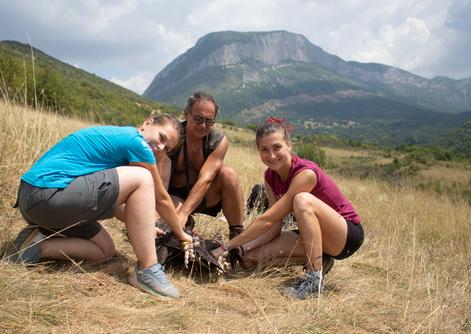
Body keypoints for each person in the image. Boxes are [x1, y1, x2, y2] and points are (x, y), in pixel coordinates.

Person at [4, 113, 191, 299]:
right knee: (143, 177)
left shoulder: (118, 142)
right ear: (147, 123)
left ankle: (35, 246)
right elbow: (162, 199)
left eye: (167, 149)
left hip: (37, 201)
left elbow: (103, 199)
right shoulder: (135, 142)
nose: (160, 148)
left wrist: (146, 226)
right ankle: (147, 270)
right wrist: (182, 235)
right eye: (161, 138)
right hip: (47, 196)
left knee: (104, 250)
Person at [212, 117, 364, 299]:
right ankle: (322, 260)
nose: (272, 155)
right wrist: (241, 249)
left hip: (345, 236)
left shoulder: (306, 173)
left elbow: (268, 218)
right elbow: (274, 225)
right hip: (310, 235)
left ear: (289, 145)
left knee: (302, 200)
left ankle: (313, 279)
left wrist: (226, 247)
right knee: (247, 259)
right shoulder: (270, 176)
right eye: (264, 150)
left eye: (277, 147)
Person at [158, 91, 244, 239]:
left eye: (209, 121)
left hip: (205, 195)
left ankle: (237, 236)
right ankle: (184, 226)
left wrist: (184, 213)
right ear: (186, 115)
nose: (203, 125)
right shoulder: (173, 136)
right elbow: (158, 180)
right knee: (166, 228)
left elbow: (206, 179)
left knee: (228, 173)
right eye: (198, 119)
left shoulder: (218, 141)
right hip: (173, 196)